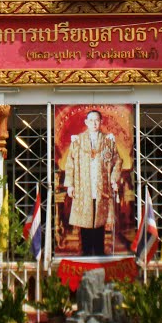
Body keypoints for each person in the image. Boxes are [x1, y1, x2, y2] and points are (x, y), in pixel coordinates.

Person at [64, 109, 121, 256]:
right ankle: (86, 255)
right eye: (91, 120)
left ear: (101, 122)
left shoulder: (108, 141)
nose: (94, 123)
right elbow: (69, 163)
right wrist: (70, 184)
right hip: (84, 188)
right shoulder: (78, 141)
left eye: (97, 120)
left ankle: (100, 256)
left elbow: (117, 161)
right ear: (86, 122)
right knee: (85, 224)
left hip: (102, 188)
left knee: (99, 224)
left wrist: (114, 179)